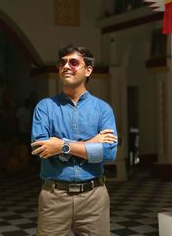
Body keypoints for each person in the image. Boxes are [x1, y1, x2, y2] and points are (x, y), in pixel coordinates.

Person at [31, 44, 118, 236]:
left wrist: (61, 146)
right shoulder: (45, 107)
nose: (66, 66)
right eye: (62, 62)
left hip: (94, 197)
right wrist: (90, 144)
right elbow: (41, 149)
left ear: (88, 70)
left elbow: (109, 153)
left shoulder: (103, 110)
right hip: (54, 197)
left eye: (73, 62)